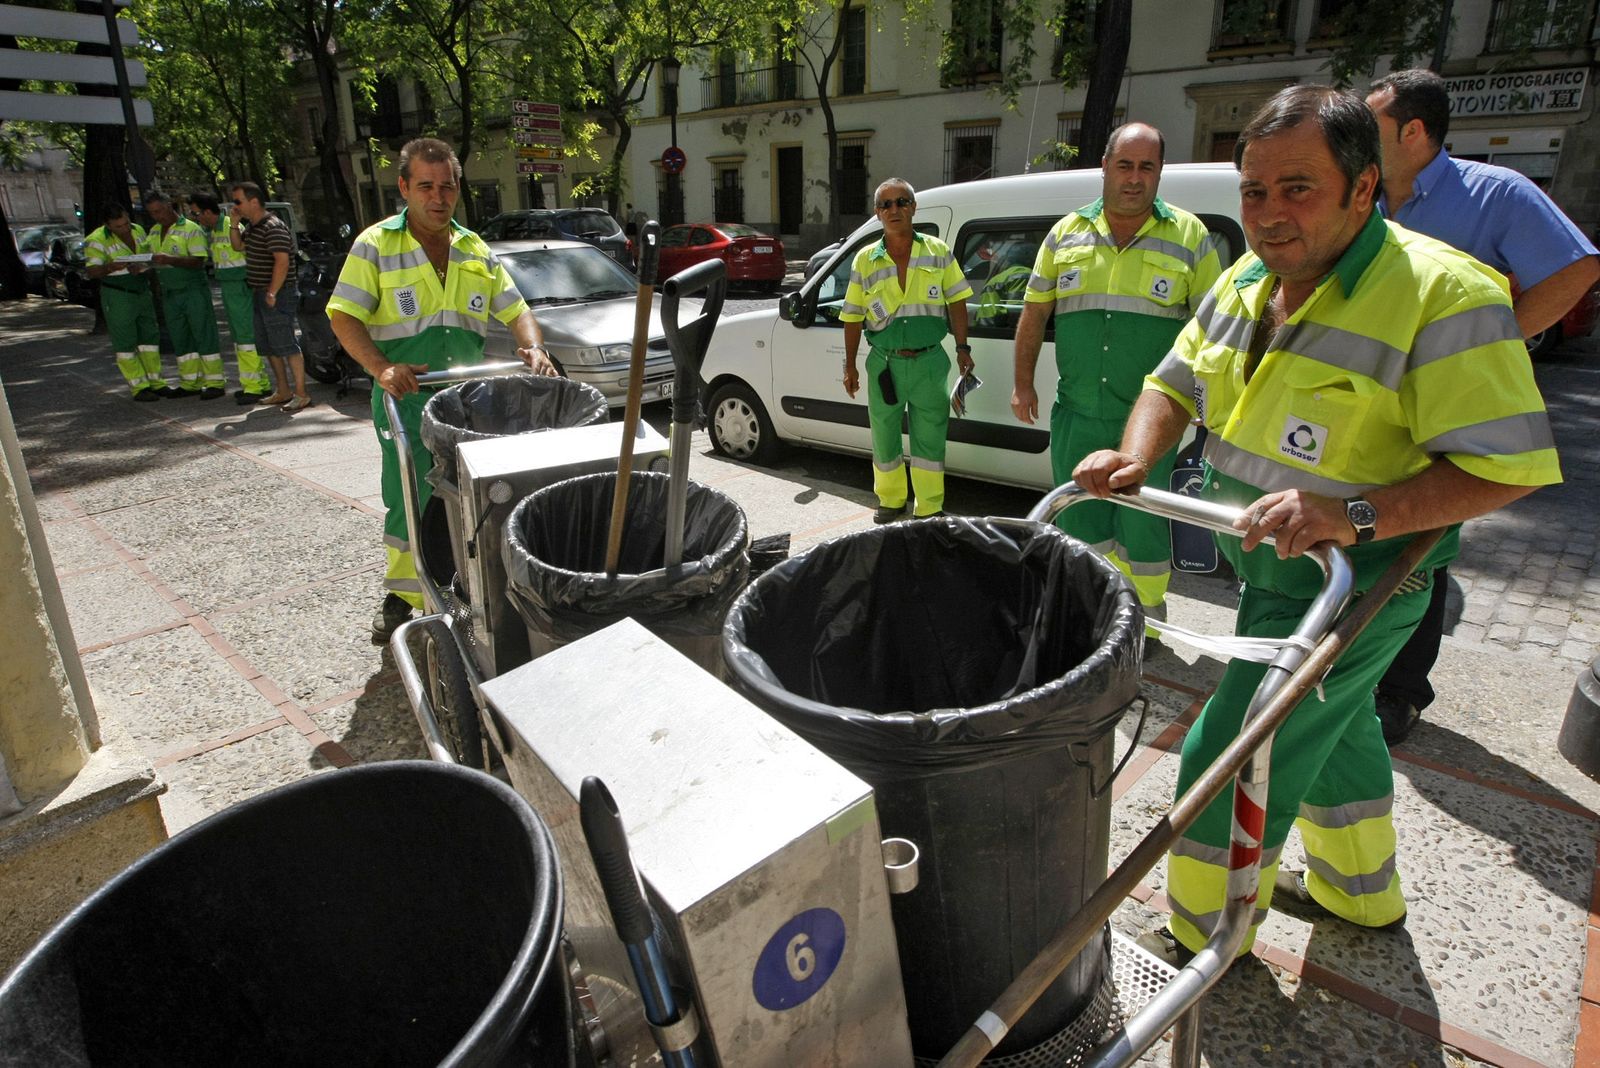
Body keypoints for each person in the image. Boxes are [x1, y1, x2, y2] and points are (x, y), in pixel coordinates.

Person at [1074, 85, 1560, 959]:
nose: (1269, 213)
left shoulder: (1444, 294)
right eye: (1254, 191)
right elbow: (1171, 383)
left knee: (1229, 757)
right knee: (1337, 735)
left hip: (1361, 586)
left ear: (1364, 187)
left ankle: (1201, 938)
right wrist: (1136, 456)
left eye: (1297, 188)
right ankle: (1360, 895)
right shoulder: (1247, 279)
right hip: (1269, 573)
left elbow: (1504, 467)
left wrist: (1352, 514)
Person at [1363, 68, 1600, 745]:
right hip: (1371, 396)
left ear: (1413, 131)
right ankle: (1352, 668)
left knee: (1424, 537)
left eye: (1371, 125)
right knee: (1369, 524)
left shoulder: (1495, 193)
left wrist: (1500, 338)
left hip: (1445, 402)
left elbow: (1577, 268)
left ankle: (1401, 693)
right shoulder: (1365, 194)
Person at [326, 137, 557, 642]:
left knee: (467, 498)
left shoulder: (474, 249)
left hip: (464, 406)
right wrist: (381, 367)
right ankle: (403, 596)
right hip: (405, 401)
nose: (438, 197)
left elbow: (517, 310)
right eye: (426, 186)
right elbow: (343, 316)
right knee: (408, 497)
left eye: (447, 187)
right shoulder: (375, 246)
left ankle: (461, 584)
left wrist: (534, 348)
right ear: (404, 188)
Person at [1011, 123, 1222, 638]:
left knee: (1143, 526)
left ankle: (1144, 627)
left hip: (1151, 423)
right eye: (1125, 165)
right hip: (1077, 413)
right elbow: (1034, 314)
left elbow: (1214, 330)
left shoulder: (1190, 236)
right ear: (1105, 166)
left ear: (1160, 172)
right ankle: (1091, 617)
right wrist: (1022, 384)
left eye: (1146, 167)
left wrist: (1206, 403)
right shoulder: (1065, 233)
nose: (1134, 178)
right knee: (1080, 520)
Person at [840, 178, 973, 522]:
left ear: (913, 207)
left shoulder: (937, 251)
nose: (894, 209)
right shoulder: (865, 260)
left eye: (901, 202)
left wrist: (962, 348)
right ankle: (890, 500)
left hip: (930, 361)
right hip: (884, 363)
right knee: (884, 435)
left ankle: (928, 506)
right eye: (886, 204)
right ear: (877, 212)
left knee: (930, 438)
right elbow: (852, 316)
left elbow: (957, 301)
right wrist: (850, 366)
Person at [228, 181, 310, 411]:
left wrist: (273, 291)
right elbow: (237, 246)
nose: (235, 206)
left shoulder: (272, 226)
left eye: (238, 201)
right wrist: (233, 224)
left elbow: (282, 262)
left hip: (277, 293)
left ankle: (301, 393)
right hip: (260, 292)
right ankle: (283, 390)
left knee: (286, 342)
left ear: (254, 202)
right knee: (269, 345)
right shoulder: (253, 227)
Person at [83, 203, 172, 402]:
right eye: (118, 227)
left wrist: (143, 266)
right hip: (118, 294)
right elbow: (92, 271)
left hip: (141, 290)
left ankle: (156, 382)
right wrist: (110, 267)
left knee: (149, 338)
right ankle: (139, 387)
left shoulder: (137, 230)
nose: (124, 229)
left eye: (126, 223)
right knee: (125, 342)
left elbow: (148, 256)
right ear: (108, 225)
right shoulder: (96, 240)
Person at [192, 194, 272, 405]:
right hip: (230, 287)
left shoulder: (231, 226)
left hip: (240, 286)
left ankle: (254, 386)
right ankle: (258, 383)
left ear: (207, 212)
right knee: (241, 337)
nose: (196, 217)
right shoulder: (215, 229)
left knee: (245, 337)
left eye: (196, 213)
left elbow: (250, 254)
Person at [145, 191, 226, 399]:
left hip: (192, 289)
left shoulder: (191, 229)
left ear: (169, 206)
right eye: (152, 213)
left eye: (159, 211)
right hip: (170, 292)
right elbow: (150, 259)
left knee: (203, 334)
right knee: (180, 337)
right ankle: (190, 382)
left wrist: (170, 259)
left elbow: (198, 260)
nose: (157, 216)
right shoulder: (154, 232)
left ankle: (215, 382)